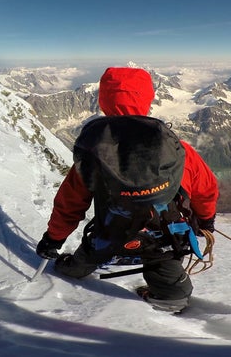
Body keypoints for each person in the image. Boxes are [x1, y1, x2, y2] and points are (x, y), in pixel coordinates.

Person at [36, 67, 219, 311]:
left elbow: (70, 203)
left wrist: (53, 239)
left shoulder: (94, 154)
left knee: (70, 269)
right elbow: (206, 189)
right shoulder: (178, 151)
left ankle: (73, 269)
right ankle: (169, 299)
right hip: (163, 237)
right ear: (147, 98)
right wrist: (205, 222)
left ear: (103, 100)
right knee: (172, 283)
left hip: (108, 236)